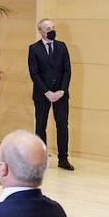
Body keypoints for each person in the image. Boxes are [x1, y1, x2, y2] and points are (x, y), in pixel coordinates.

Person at [28, 18, 73, 171]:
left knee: (62, 125)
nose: (52, 30)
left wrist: (62, 90)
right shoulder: (34, 49)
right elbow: (34, 73)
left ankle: (63, 159)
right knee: (41, 126)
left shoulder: (62, 46)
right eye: (48, 28)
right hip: (42, 94)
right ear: (40, 31)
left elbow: (67, 70)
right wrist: (47, 92)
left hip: (61, 94)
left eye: (53, 27)